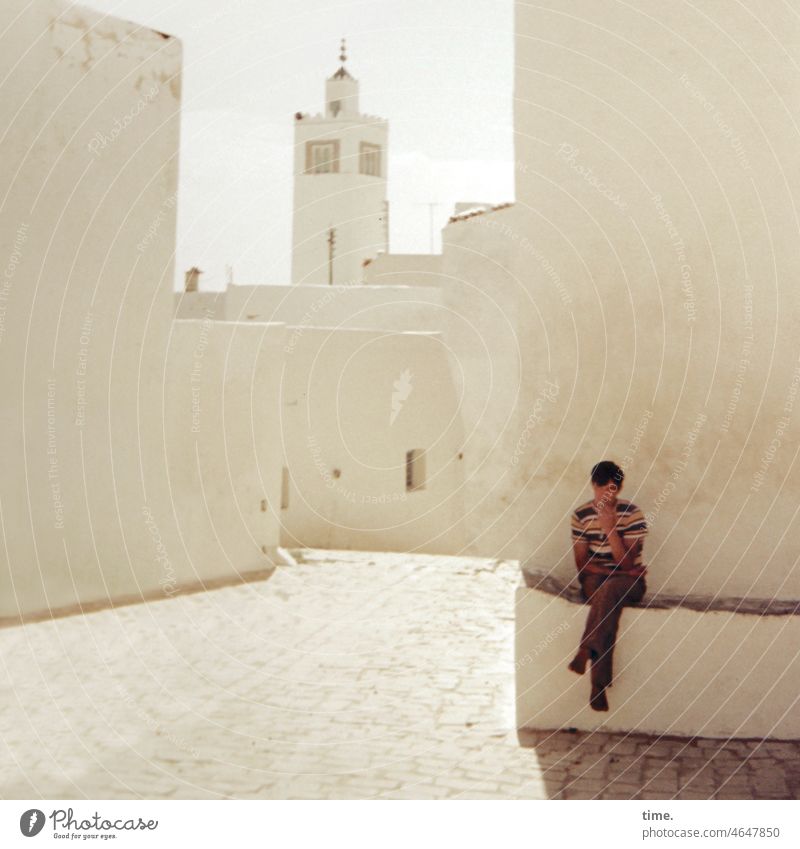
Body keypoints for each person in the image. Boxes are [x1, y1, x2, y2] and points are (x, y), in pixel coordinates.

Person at [568, 461, 648, 711]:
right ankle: (598, 686)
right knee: (606, 598)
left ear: (619, 488)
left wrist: (611, 529)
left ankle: (586, 649)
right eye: (601, 488)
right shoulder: (581, 515)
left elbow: (626, 564)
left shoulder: (633, 514)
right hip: (598, 580)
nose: (606, 495)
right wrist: (607, 569)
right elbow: (582, 564)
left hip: (629, 583)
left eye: (612, 489)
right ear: (593, 485)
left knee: (611, 590)